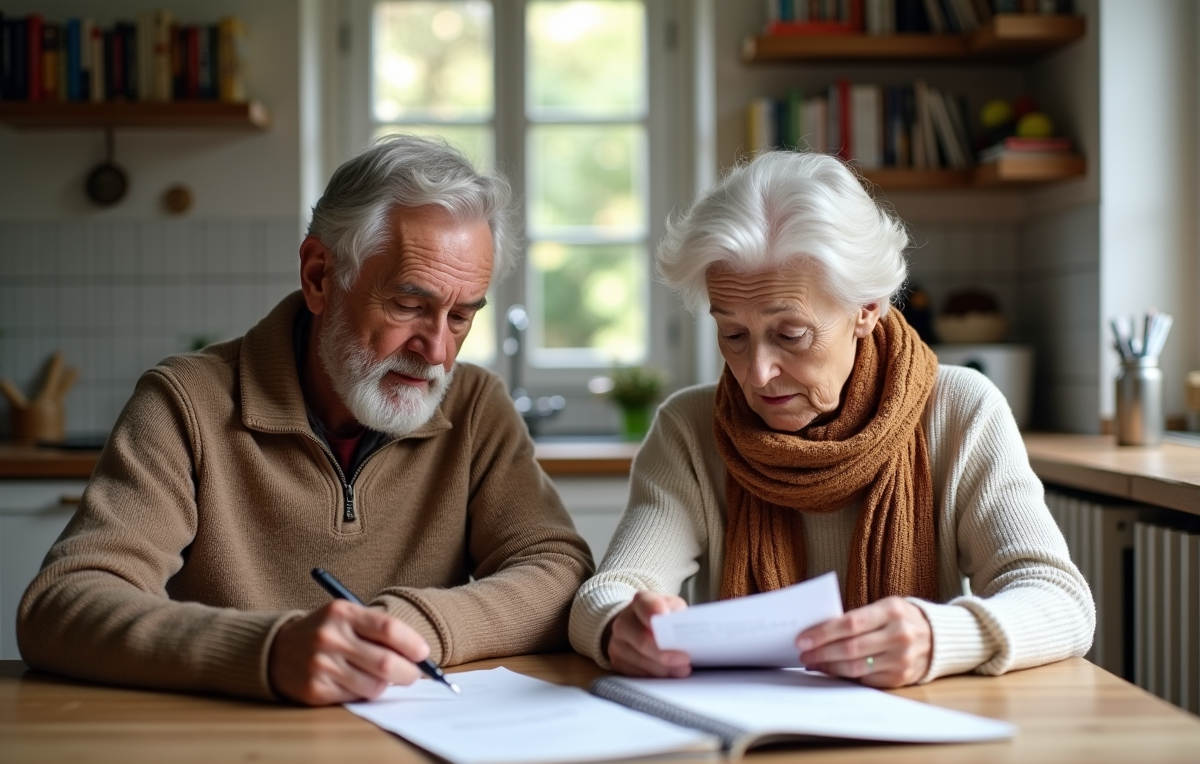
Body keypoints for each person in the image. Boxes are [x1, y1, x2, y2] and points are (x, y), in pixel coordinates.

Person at [18, 135, 594, 705]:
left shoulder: (475, 407)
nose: (438, 351)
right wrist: (267, 651)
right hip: (231, 744)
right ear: (320, 276)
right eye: (408, 305)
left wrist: (405, 627)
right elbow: (62, 603)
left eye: (461, 316)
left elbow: (560, 571)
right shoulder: (185, 403)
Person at [569, 150, 1094, 688]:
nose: (757, 373)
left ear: (867, 308)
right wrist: (619, 625)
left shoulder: (961, 411)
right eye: (733, 334)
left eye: (790, 334)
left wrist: (938, 635)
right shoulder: (690, 427)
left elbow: (1059, 599)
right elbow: (610, 590)